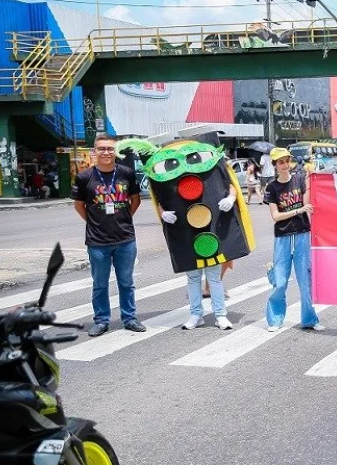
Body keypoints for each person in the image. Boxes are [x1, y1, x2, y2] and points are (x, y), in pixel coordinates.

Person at [71, 134, 145, 337]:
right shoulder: (85, 177)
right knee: (100, 284)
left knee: (126, 282)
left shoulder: (127, 173)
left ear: (116, 152)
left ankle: (129, 318)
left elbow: (135, 201)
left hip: (125, 239)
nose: (106, 152)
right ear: (94, 152)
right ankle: (102, 320)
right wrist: (95, 222)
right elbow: (79, 205)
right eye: (101, 149)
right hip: (97, 242)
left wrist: (123, 218)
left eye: (110, 149)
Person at [158, 187, 237, 331]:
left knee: (214, 277)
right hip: (185, 231)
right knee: (193, 277)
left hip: (208, 230)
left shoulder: (211, 167)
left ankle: (220, 315)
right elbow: (160, 195)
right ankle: (196, 315)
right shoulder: (173, 171)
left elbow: (228, 182)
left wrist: (231, 197)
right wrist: (163, 213)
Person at [263, 147, 324, 332]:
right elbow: (275, 216)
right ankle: (274, 320)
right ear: (274, 165)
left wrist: (312, 180)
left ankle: (310, 319)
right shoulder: (271, 188)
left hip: (302, 234)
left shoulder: (299, 180)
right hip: (282, 237)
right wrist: (298, 210)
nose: (284, 165)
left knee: (305, 280)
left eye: (286, 161)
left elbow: (307, 203)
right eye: (280, 162)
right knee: (280, 282)